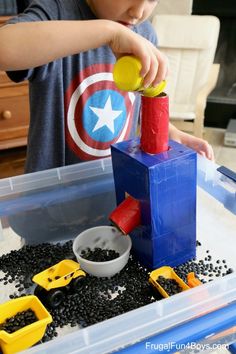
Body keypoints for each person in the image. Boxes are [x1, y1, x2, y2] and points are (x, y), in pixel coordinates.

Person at [0, 0, 214, 173]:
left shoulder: (145, 34)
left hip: (112, 184)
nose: (138, 12)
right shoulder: (56, 11)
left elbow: (139, 106)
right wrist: (108, 31)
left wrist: (169, 132)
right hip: (52, 200)